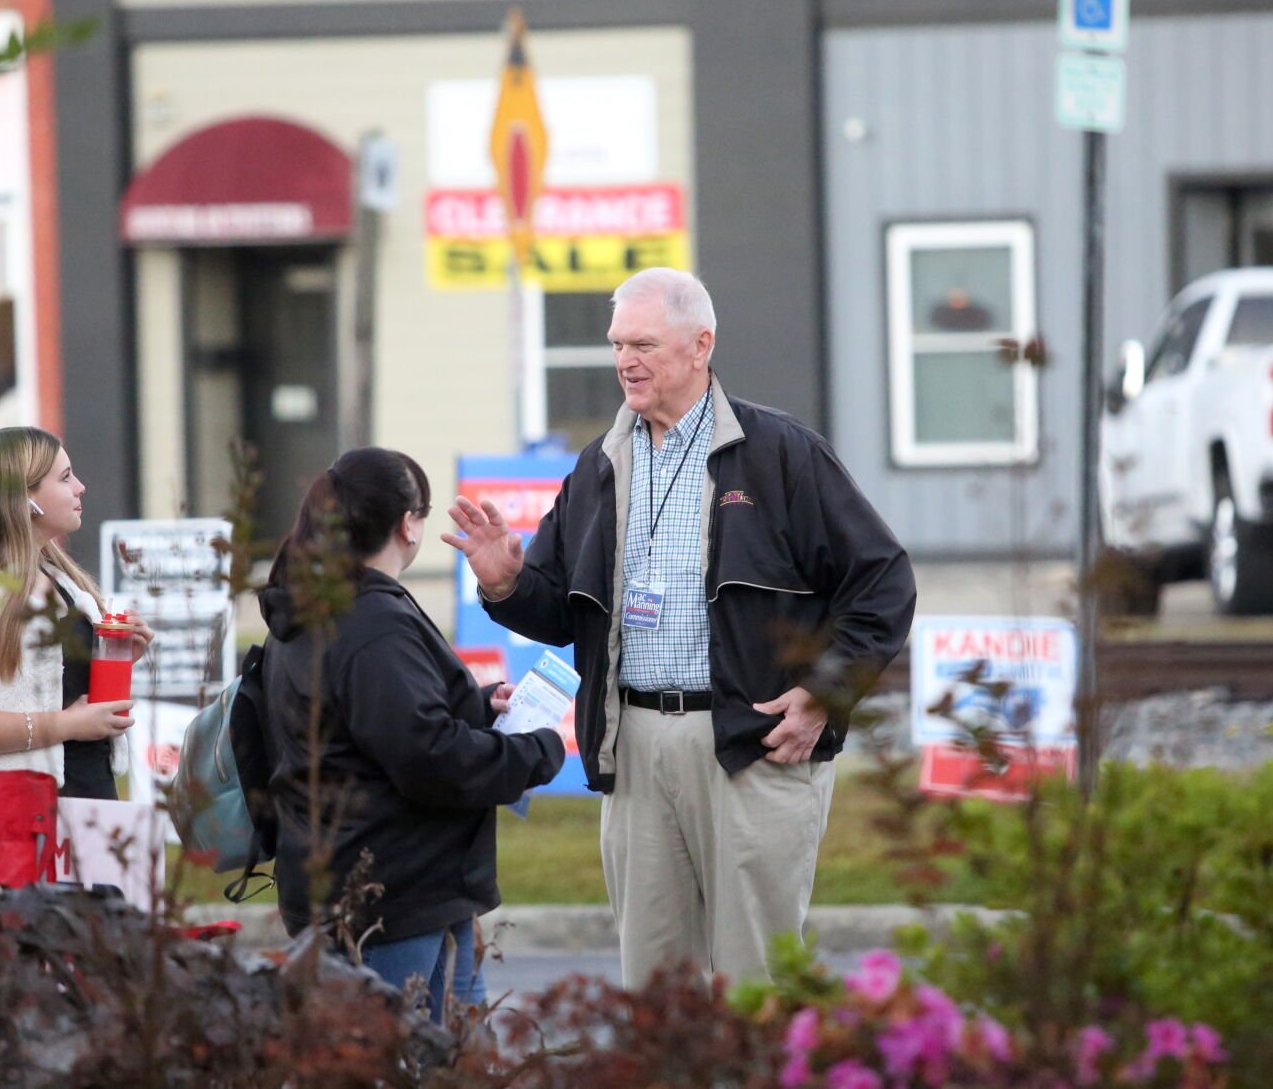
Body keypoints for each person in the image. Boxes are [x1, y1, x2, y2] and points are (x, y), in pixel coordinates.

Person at [444, 267, 916, 985]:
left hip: (750, 745)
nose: (624, 360)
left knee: (753, 983)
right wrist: (503, 581)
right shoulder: (601, 461)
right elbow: (558, 610)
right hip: (634, 745)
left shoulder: (779, 453)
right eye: (616, 344)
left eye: (644, 343)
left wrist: (825, 691)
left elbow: (881, 581)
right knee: (655, 992)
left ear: (700, 346)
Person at [258, 447, 564, 1021]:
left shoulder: (314, 604)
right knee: (413, 1059)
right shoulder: (371, 622)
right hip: (390, 894)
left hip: (361, 877)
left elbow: (357, 725)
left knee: (450, 1058)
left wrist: (471, 705)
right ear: (408, 525)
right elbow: (428, 757)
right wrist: (536, 751)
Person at [0, 426, 150, 799]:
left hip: (87, 804)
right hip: (9, 817)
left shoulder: (64, 582)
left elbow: (66, 696)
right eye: (66, 477)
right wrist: (63, 725)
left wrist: (114, 656)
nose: (81, 488)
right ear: (24, 498)